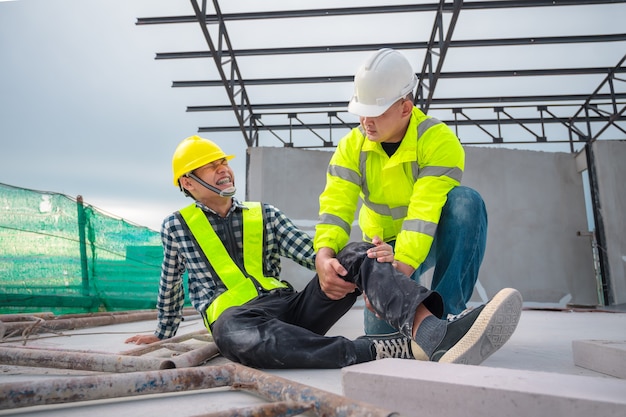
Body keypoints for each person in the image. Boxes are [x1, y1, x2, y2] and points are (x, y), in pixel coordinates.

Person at [126, 135, 522, 369]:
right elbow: (170, 285)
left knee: (357, 252)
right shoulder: (176, 226)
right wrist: (161, 334)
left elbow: (310, 251)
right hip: (239, 319)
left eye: (222, 163)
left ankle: (433, 331)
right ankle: (379, 350)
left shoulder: (262, 214)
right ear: (188, 183)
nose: (223, 170)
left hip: (290, 308)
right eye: (211, 167)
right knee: (235, 338)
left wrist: (332, 266)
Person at [314, 48, 489, 335]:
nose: (365, 122)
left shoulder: (437, 141)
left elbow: (424, 210)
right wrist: (324, 256)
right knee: (384, 338)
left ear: (405, 108)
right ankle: (418, 327)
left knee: (466, 202)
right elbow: (335, 204)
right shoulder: (351, 147)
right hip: (381, 247)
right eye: (361, 113)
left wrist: (402, 267)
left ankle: (446, 317)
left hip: (428, 235)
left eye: (375, 113)